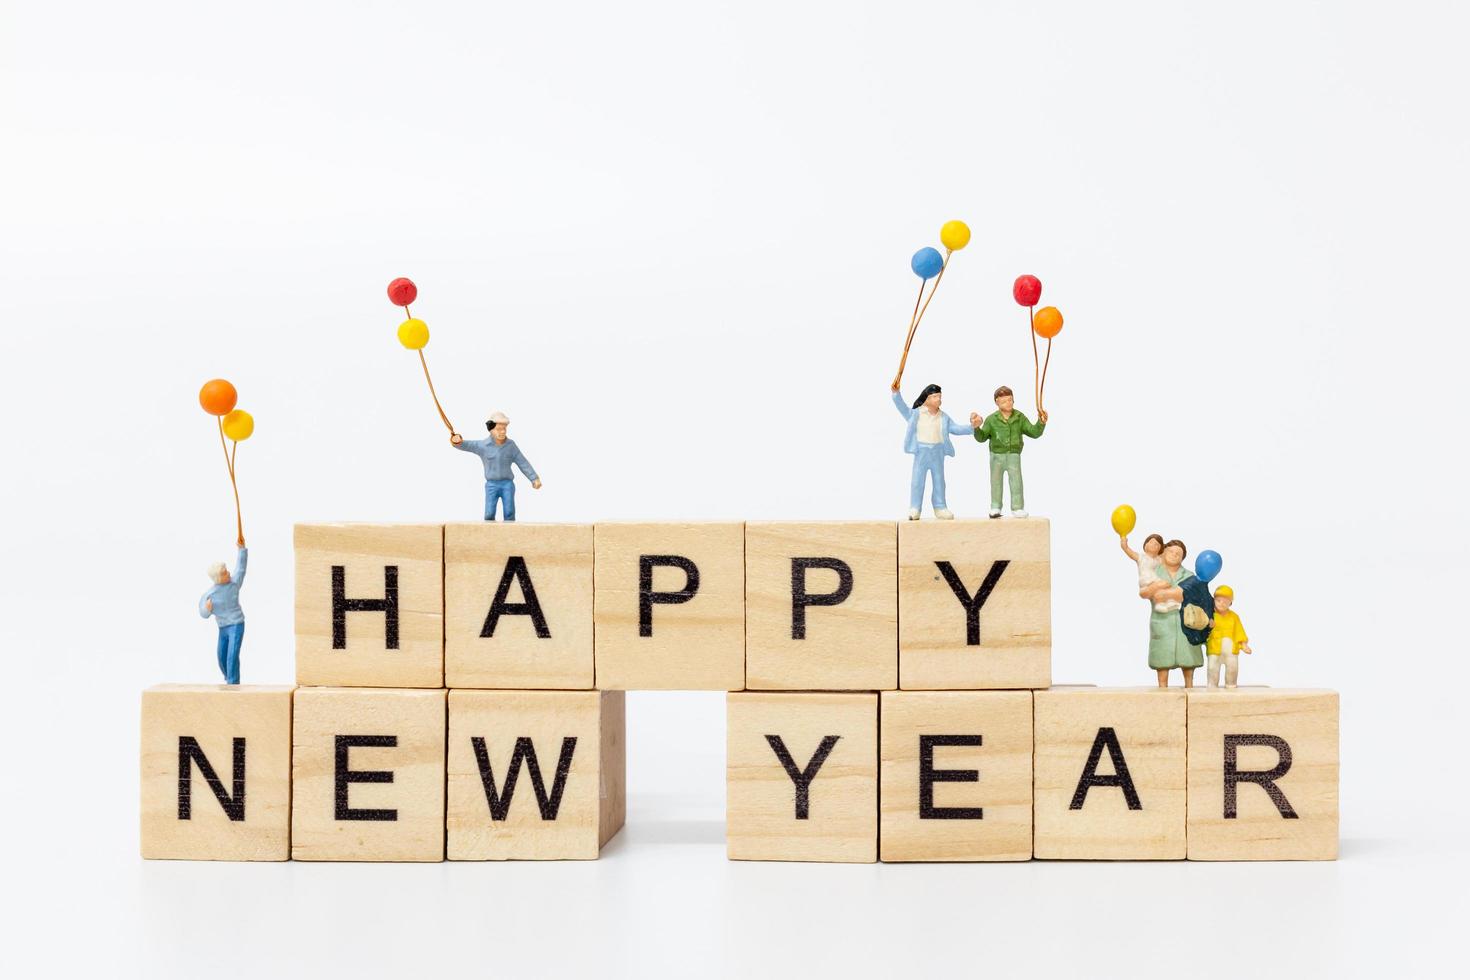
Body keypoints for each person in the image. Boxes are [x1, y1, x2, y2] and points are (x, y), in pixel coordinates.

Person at [891, 382, 971, 520]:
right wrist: (896, 393)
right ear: (927, 398)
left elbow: (956, 429)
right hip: (921, 451)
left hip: (937, 451)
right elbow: (902, 407)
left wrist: (972, 427)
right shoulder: (915, 414)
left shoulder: (943, 417)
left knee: (939, 480)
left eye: (939, 396)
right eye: (935, 397)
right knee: (917, 481)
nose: (938, 399)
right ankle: (915, 507)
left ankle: (940, 507)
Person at [970, 386, 1046, 518]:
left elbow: (1034, 432)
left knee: (1016, 482)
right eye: (1004, 401)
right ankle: (995, 507)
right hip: (996, 456)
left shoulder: (1019, 417)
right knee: (996, 482)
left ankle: (1017, 508)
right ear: (997, 402)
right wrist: (976, 428)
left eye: (1010, 400)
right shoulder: (991, 419)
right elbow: (981, 438)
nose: (1008, 403)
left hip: (1013, 455)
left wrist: (1041, 422)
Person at [451, 411, 541, 521]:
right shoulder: (483, 446)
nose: (502, 432)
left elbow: (522, 462)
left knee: (509, 513)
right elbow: (467, 445)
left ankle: (510, 535)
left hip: (507, 484)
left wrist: (534, 478)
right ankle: (490, 536)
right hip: (491, 485)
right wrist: (457, 441)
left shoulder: (511, 446)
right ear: (491, 429)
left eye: (504, 429)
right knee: (489, 514)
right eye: (499, 429)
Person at [1141, 539, 1205, 688]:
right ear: (1163, 552)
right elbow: (1143, 593)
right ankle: (1162, 687)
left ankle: (1189, 686)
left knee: (1188, 657)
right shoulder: (1153, 572)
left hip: (1186, 620)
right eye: (1171, 551)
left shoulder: (1190, 575)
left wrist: (1169, 594)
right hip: (1162, 621)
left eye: (1179, 554)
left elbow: (1196, 595)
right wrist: (1154, 588)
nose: (1174, 555)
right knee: (1162, 658)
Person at [200, 545, 247, 685]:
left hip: (237, 625)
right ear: (217, 578)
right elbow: (202, 612)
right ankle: (228, 678)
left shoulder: (234, 583)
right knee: (221, 656)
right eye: (224, 572)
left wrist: (242, 550)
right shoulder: (211, 594)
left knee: (232, 656)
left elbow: (241, 568)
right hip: (223, 628)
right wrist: (207, 609)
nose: (228, 573)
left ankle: (233, 683)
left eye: (226, 570)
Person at [1205, 585, 1251, 689]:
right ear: (1214, 600)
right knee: (1212, 668)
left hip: (1231, 650)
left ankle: (1231, 685)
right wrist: (1208, 626)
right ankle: (1212, 686)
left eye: (1226, 601)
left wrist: (1244, 645)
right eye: (1219, 600)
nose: (1222, 603)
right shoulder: (1210, 615)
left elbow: (1239, 631)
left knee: (1232, 668)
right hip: (1214, 648)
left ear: (1230, 603)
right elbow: (1202, 631)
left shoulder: (1234, 617)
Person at [1121, 532, 1174, 610]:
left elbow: (1166, 555)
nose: (1153, 545)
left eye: (1156, 545)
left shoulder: (1158, 559)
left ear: (1160, 549)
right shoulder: (1140, 557)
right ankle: (1163, 603)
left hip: (1154, 579)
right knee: (1164, 585)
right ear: (1145, 545)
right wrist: (1124, 543)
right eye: (1151, 542)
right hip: (1146, 579)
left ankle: (1165, 603)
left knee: (1165, 586)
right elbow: (1128, 551)